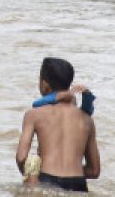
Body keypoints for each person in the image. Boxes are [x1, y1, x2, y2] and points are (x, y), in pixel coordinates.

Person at [15, 57, 101, 192]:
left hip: (46, 180)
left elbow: (21, 157)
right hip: (78, 184)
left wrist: (31, 176)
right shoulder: (87, 119)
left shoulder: (34, 114)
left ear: (44, 84)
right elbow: (94, 171)